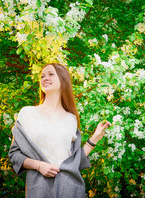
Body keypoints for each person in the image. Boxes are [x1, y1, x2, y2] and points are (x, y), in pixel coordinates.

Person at [9, 63, 111, 198]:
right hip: (39, 190)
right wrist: (39, 166)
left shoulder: (71, 119)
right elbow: (14, 154)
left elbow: (74, 162)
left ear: (63, 80)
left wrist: (95, 139)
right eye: (42, 76)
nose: (45, 78)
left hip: (70, 189)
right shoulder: (27, 113)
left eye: (51, 74)